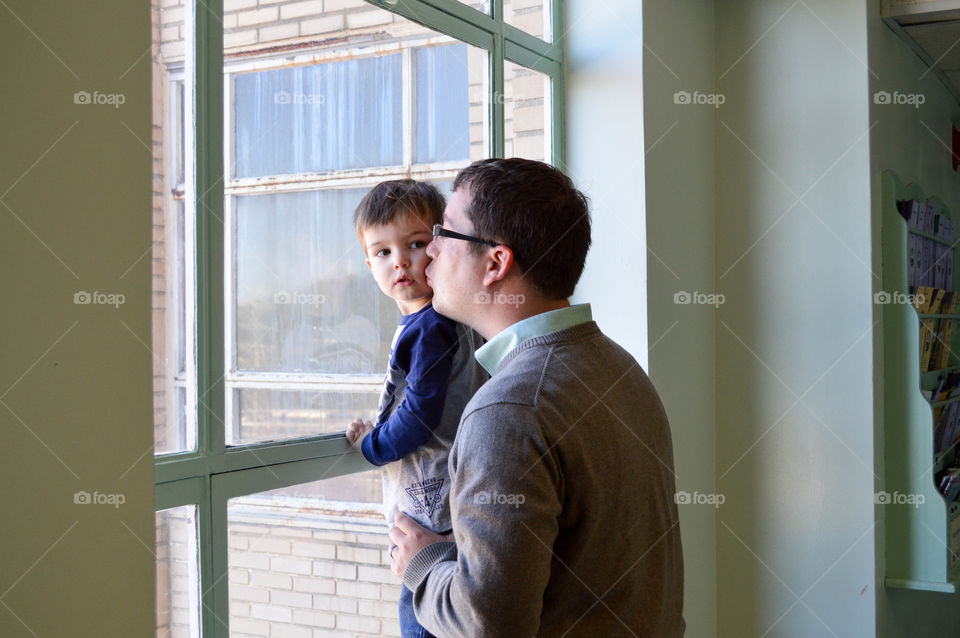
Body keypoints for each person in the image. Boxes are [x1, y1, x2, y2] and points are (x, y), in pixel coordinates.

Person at [387, 158, 685, 637]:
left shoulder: (509, 410)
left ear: (496, 263)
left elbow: (488, 626)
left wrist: (423, 564)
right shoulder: (620, 368)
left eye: (444, 233)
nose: (429, 254)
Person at [344, 179, 488, 638]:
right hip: (452, 503)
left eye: (416, 244)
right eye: (382, 252)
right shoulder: (445, 321)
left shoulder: (431, 328)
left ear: (440, 247)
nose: (400, 261)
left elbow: (421, 415)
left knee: (423, 618)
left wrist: (372, 445)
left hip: (433, 516)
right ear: (369, 263)